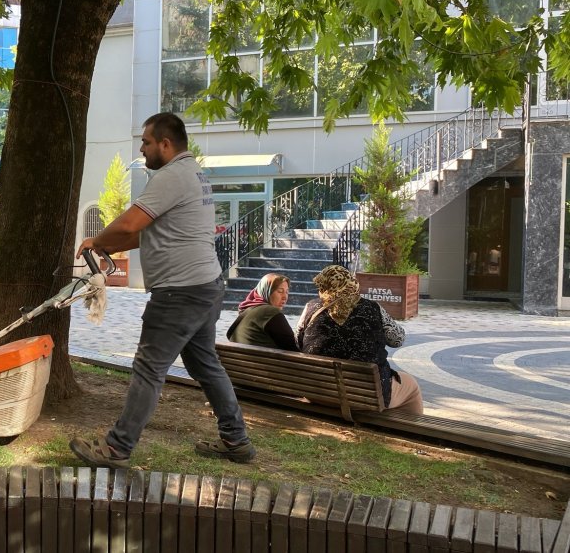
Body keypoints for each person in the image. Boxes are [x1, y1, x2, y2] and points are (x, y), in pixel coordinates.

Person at [69, 112, 256, 468]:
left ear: (165, 144)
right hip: (206, 286)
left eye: (146, 142)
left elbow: (130, 223)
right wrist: (107, 246)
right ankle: (237, 441)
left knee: (148, 367)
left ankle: (117, 447)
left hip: (180, 292)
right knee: (205, 365)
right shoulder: (193, 173)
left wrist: (97, 240)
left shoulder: (171, 176)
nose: (141, 149)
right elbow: (151, 233)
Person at [296, 265, 423, 414]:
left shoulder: (311, 308)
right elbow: (398, 340)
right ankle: (409, 428)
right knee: (411, 385)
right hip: (365, 398)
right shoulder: (373, 308)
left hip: (317, 393)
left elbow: (297, 342)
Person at [226, 273, 297, 351]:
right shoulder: (269, 312)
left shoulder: (248, 311)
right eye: (280, 291)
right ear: (266, 291)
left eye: (287, 292)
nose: (285, 297)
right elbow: (293, 347)